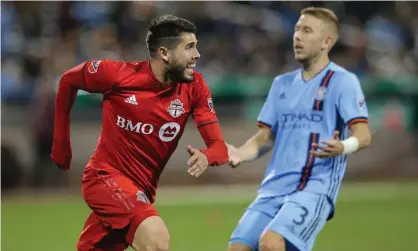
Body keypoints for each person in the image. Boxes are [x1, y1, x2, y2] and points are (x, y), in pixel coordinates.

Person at [51, 15, 228, 251]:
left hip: (140, 191)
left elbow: (220, 148)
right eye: (189, 47)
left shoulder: (195, 86)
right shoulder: (118, 75)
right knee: (157, 239)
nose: (197, 55)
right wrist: (61, 145)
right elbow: (67, 81)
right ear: (165, 53)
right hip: (103, 178)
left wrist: (208, 155)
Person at [227, 7, 372, 251]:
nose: (297, 36)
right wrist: (241, 152)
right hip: (273, 190)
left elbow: (363, 134)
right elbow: (265, 137)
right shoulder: (281, 84)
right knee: (237, 248)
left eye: (306, 30)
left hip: (313, 188)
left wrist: (343, 146)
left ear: (327, 41)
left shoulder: (342, 81)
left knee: (271, 243)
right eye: (296, 29)